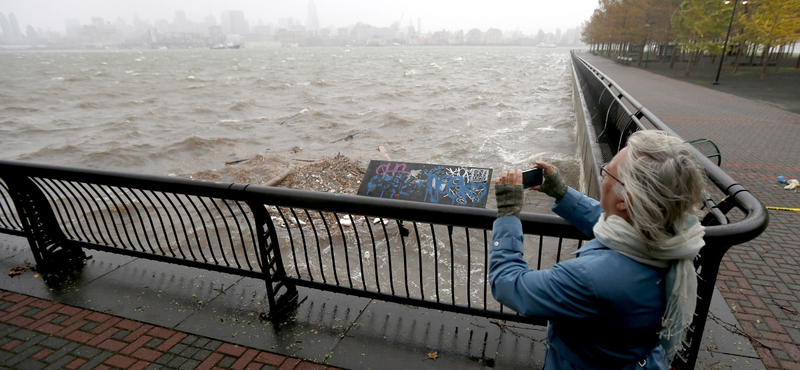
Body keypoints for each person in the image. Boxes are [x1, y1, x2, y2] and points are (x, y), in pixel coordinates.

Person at [489, 130, 707, 369]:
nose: (603, 174)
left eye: (607, 172)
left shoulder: (588, 278)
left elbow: (507, 283)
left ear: (626, 200)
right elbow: (619, 225)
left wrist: (508, 214)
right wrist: (562, 191)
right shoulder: (672, 240)